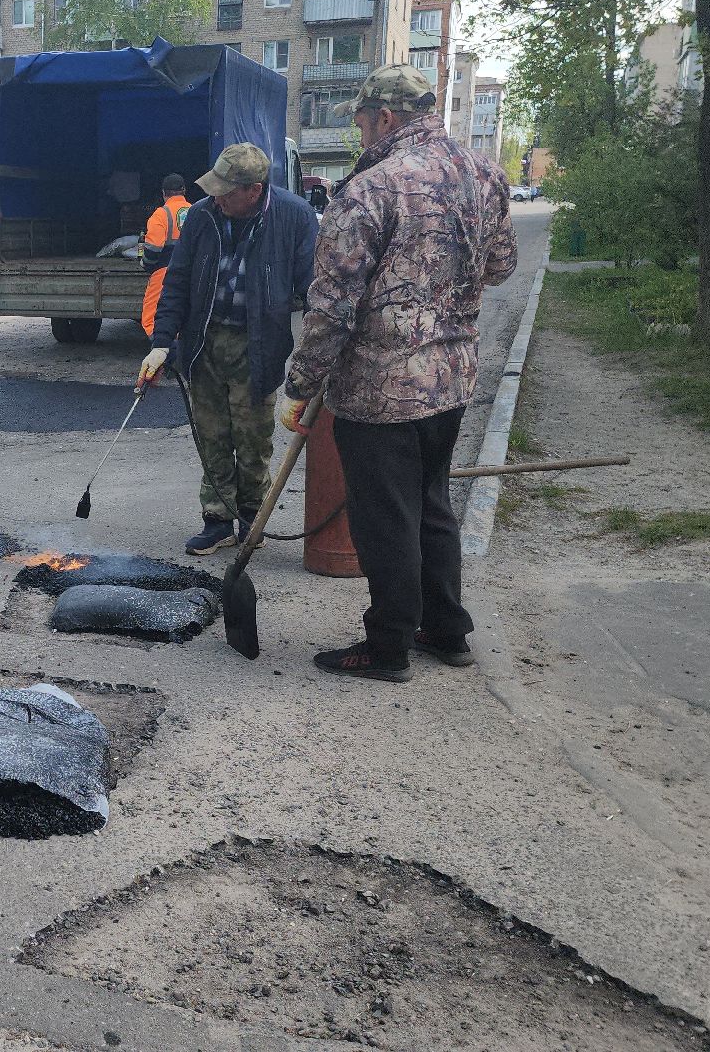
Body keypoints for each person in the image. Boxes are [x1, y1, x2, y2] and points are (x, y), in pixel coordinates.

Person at [277, 64, 518, 682]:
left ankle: (386, 647)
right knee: (432, 504)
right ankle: (446, 630)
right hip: (451, 378)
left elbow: (331, 304)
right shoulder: (483, 173)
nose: (358, 132)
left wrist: (302, 384)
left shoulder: (369, 188)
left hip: (382, 388)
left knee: (385, 518)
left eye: (359, 120)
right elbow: (501, 265)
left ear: (384, 116)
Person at [139, 144, 319, 556]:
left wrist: (318, 354)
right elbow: (177, 280)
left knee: (253, 438)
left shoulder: (293, 216)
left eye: (226, 191)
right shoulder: (203, 215)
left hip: (259, 345)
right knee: (212, 435)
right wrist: (162, 342)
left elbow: (313, 290)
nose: (216, 197)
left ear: (254, 190)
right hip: (205, 342)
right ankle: (217, 521)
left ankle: (251, 519)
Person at [138, 174, 192, 337]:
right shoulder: (197, 210)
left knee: (151, 319)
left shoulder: (160, 215)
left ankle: (163, 356)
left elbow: (153, 249)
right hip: (193, 273)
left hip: (163, 273)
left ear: (163, 193)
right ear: (184, 190)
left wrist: (146, 265)